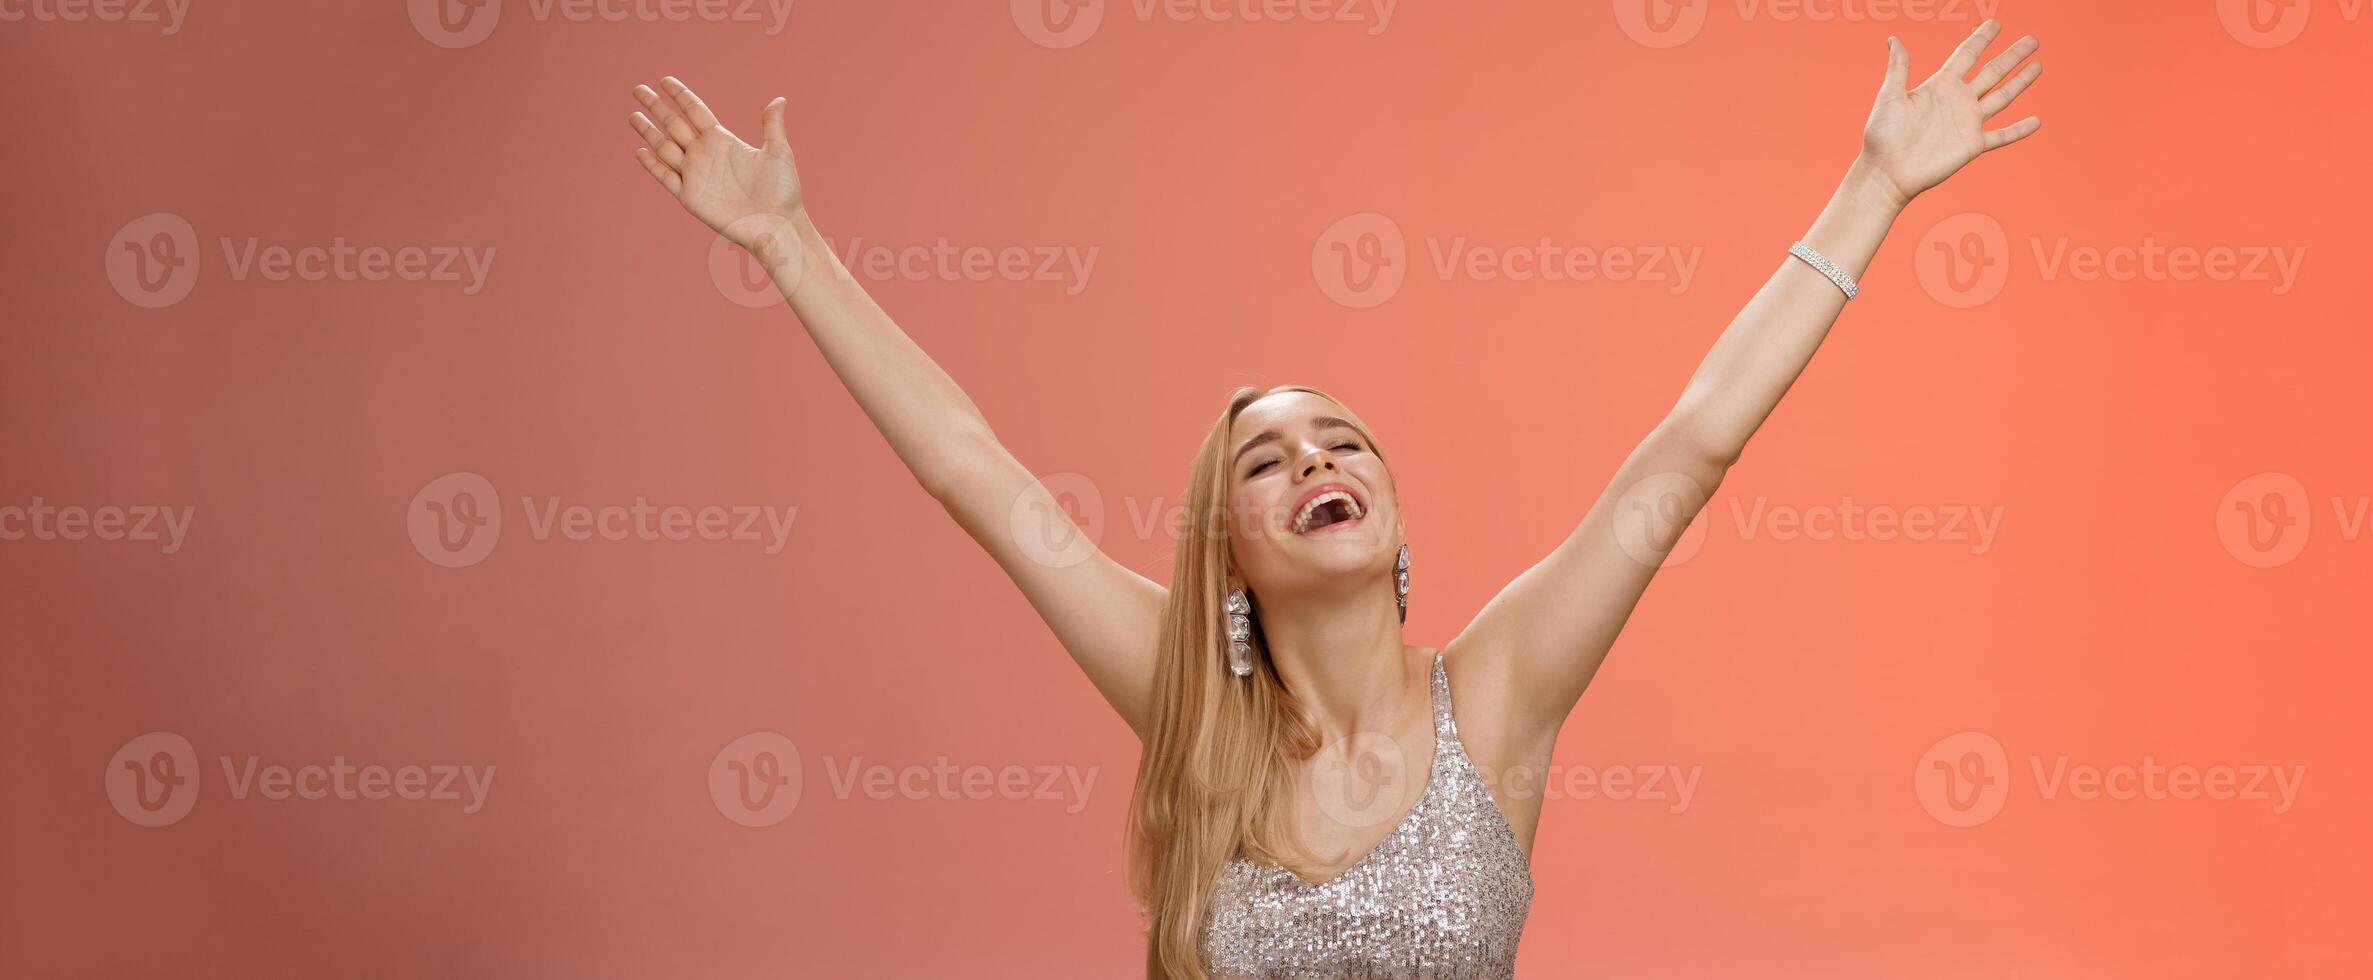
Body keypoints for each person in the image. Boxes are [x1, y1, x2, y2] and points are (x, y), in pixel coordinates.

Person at [622, 20, 2043, 978]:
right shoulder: (1193, 713)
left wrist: (1872, 188)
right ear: (1224, 554)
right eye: (1266, 459)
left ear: (1392, 518)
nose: (1316, 464)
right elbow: (977, 479)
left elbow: (1690, 446)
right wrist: (784, 241)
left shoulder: (1496, 696)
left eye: (1343, 442)